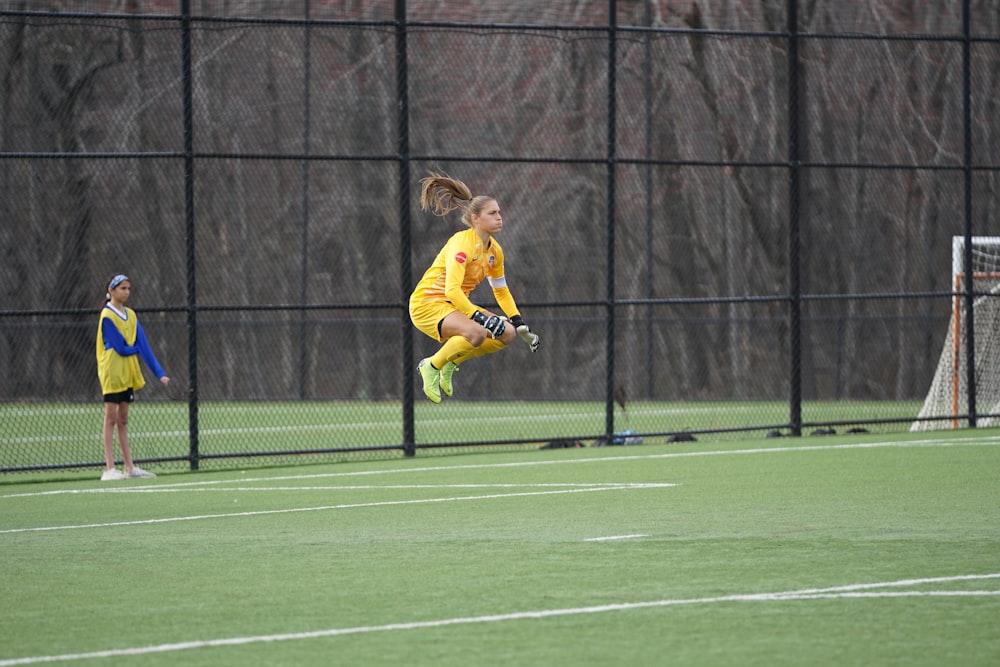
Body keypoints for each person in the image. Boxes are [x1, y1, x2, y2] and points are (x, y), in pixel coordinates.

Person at [409, 173, 540, 403]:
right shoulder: (463, 244)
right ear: (475, 219)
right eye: (492, 213)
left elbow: (500, 290)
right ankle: (431, 365)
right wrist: (478, 316)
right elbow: (451, 290)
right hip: (426, 305)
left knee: (507, 334)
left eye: (499, 212)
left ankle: (450, 363)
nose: (499, 217)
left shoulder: (495, 251)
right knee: (477, 332)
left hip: (453, 306)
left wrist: (518, 321)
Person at [95, 274, 169, 480]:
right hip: (113, 371)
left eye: (128, 288)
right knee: (110, 417)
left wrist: (159, 373)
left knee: (123, 419)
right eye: (122, 288)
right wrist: (135, 348)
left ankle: (129, 467)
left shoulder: (131, 315)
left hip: (127, 372)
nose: (126, 292)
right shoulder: (107, 315)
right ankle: (109, 468)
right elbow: (119, 347)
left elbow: (143, 346)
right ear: (111, 291)